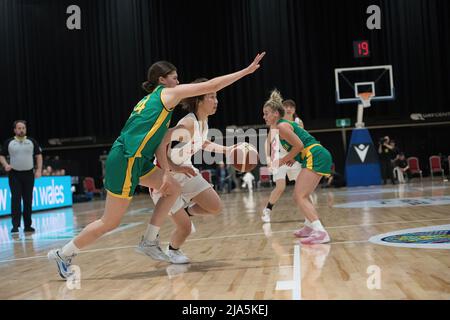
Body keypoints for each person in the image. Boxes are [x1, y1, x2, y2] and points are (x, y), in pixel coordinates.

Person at [47, 52, 266, 279]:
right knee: (109, 221)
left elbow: (161, 139)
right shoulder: (166, 95)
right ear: (162, 80)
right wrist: (246, 71)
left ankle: (149, 241)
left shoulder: (151, 101)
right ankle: (63, 254)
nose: (178, 82)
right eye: (174, 77)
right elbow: (210, 85)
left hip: (138, 158)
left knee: (172, 188)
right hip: (126, 158)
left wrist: (172, 169)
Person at [147, 77, 242, 264]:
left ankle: (187, 211)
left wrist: (227, 150)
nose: (216, 101)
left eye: (216, 97)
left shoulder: (203, 122)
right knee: (186, 228)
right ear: (198, 100)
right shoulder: (188, 123)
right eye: (211, 97)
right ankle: (173, 250)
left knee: (215, 206)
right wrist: (174, 167)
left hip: (185, 170)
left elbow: (202, 142)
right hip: (164, 175)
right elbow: (161, 143)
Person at [262, 90, 332, 245]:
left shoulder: (281, 126)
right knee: (302, 195)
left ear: (275, 113)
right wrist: (291, 157)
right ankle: (309, 227)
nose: (264, 117)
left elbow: (300, 145)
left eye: (266, 113)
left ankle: (320, 231)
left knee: (299, 195)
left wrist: (282, 160)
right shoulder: (279, 127)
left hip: (315, 154)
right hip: (314, 154)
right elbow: (298, 146)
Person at [261, 99, 303, 223]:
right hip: (280, 158)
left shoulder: (298, 122)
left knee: (301, 188)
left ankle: (309, 217)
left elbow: (301, 141)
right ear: (281, 110)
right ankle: (267, 210)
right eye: (286, 106)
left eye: (291, 106)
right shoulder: (277, 123)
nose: (288, 109)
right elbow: (267, 142)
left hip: (294, 157)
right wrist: (268, 158)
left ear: (294, 110)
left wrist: (294, 157)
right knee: (280, 187)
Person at [0, 120, 42, 233]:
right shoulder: (9, 142)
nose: (21, 130)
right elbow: (1, 156)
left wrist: (39, 170)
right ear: (15, 130)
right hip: (14, 175)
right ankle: (15, 225)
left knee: (28, 200)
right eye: (19, 128)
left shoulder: (32, 141)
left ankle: (28, 225)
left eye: (23, 128)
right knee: (16, 199)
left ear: (25, 129)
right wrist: (5, 165)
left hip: (29, 174)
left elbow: (38, 156)